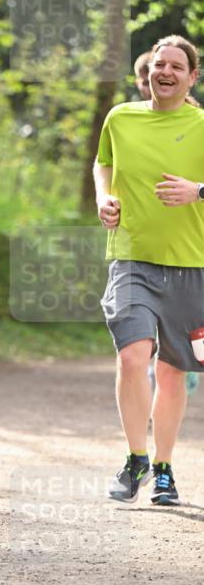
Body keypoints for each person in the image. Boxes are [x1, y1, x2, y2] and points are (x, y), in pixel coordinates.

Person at [95, 34, 204, 505]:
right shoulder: (120, 117)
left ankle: (163, 467)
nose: (166, 72)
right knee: (132, 357)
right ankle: (136, 456)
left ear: (192, 77)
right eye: (160, 64)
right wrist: (104, 198)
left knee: (174, 371)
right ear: (149, 71)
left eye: (177, 66)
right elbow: (103, 163)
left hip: (191, 265)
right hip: (131, 256)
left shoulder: (202, 123)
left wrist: (198, 190)